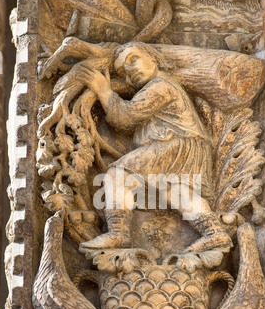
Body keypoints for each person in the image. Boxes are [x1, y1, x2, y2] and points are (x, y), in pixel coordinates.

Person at [75, 41, 232, 255]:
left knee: (116, 176)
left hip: (172, 144)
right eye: (123, 72)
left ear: (155, 58)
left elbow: (127, 118)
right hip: (187, 146)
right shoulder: (162, 84)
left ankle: (119, 233)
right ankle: (213, 233)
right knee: (176, 193)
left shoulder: (160, 86)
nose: (130, 71)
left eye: (134, 59)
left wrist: (104, 90)